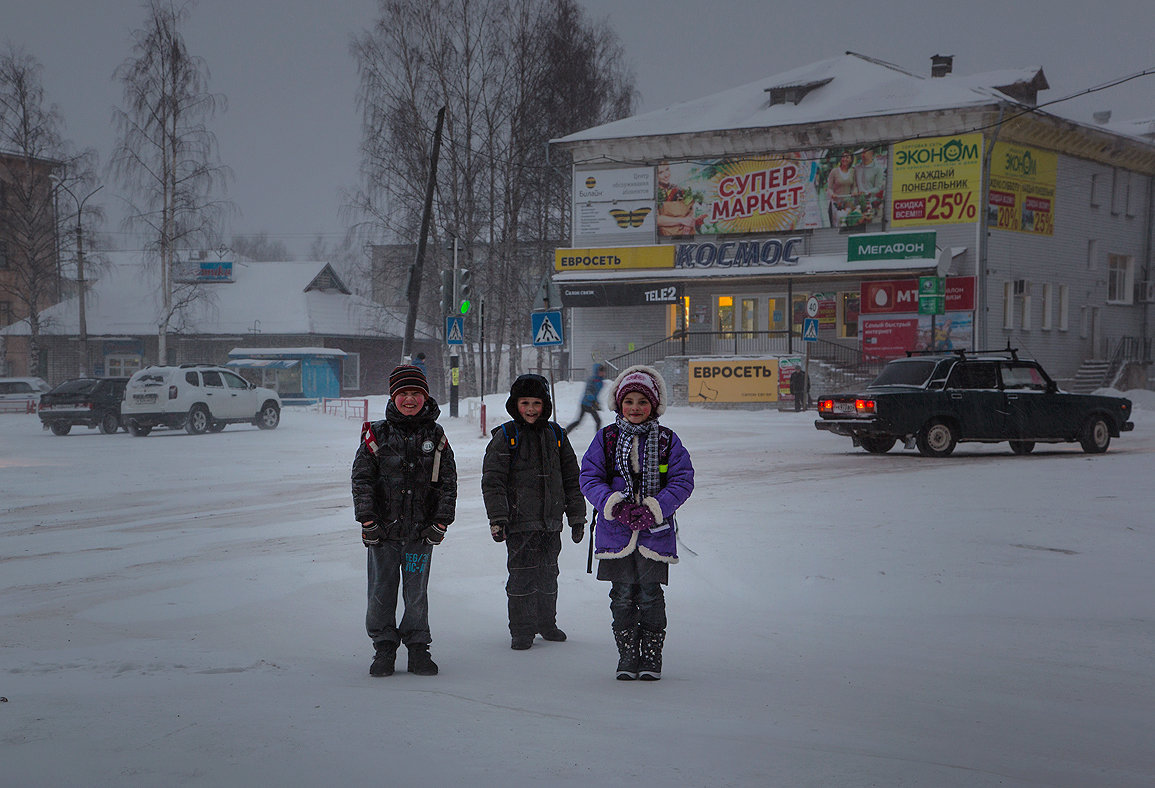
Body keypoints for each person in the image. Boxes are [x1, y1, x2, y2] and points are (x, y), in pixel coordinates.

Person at [578, 365, 694, 681]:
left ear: (653, 405)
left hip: (655, 535)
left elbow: (683, 480)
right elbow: (589, 477)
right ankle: (628, 655)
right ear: (619, 403)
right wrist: (614, 506)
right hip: (615, 534)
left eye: (642, 402)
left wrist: (654, 509)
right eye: (629, 401)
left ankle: (651, 657)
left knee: (650, 594)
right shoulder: (606, 439)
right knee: (622, 595)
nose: (635, 408)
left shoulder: (668, 440)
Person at [351, 364, 457, 677]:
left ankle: (418, 649)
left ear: (425, 397)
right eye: (403, 394)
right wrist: (368, 520)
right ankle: (383, 648)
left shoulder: (436, 436)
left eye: (416, 393)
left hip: (420, 535)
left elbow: (448, 482)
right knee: (381, 593)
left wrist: (441, 521)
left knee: (416, 594)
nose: (409, 399)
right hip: (382, 534)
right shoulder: (376, 435)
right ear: (393, 397)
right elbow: (362, 479)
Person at [482, 374, 587, 650]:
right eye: (525, 403)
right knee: (522, 576)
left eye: (536, 403)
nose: (531, 409)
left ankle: (546, 622)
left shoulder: (557, 435)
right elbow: (493, 482)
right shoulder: (506, 437)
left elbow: (572, 479)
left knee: (548, 574)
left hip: (550, 524)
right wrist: (498, 519)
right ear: (515, 404)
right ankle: (521, 628)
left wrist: (576, 516)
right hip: (519, 523)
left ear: (546, 405)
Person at [564, 363, 606, 433]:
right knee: (595, 421)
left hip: (590, 404)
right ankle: (565, 432)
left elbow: (596, 394)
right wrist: (593, 401)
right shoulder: (592, 380)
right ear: (597, 371)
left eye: (603, 371)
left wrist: (597, 403)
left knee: (596, 421)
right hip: (586, 403)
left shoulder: (600, 382)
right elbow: (588, 392)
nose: (603, 373)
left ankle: (566, 431)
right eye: (601, 371)